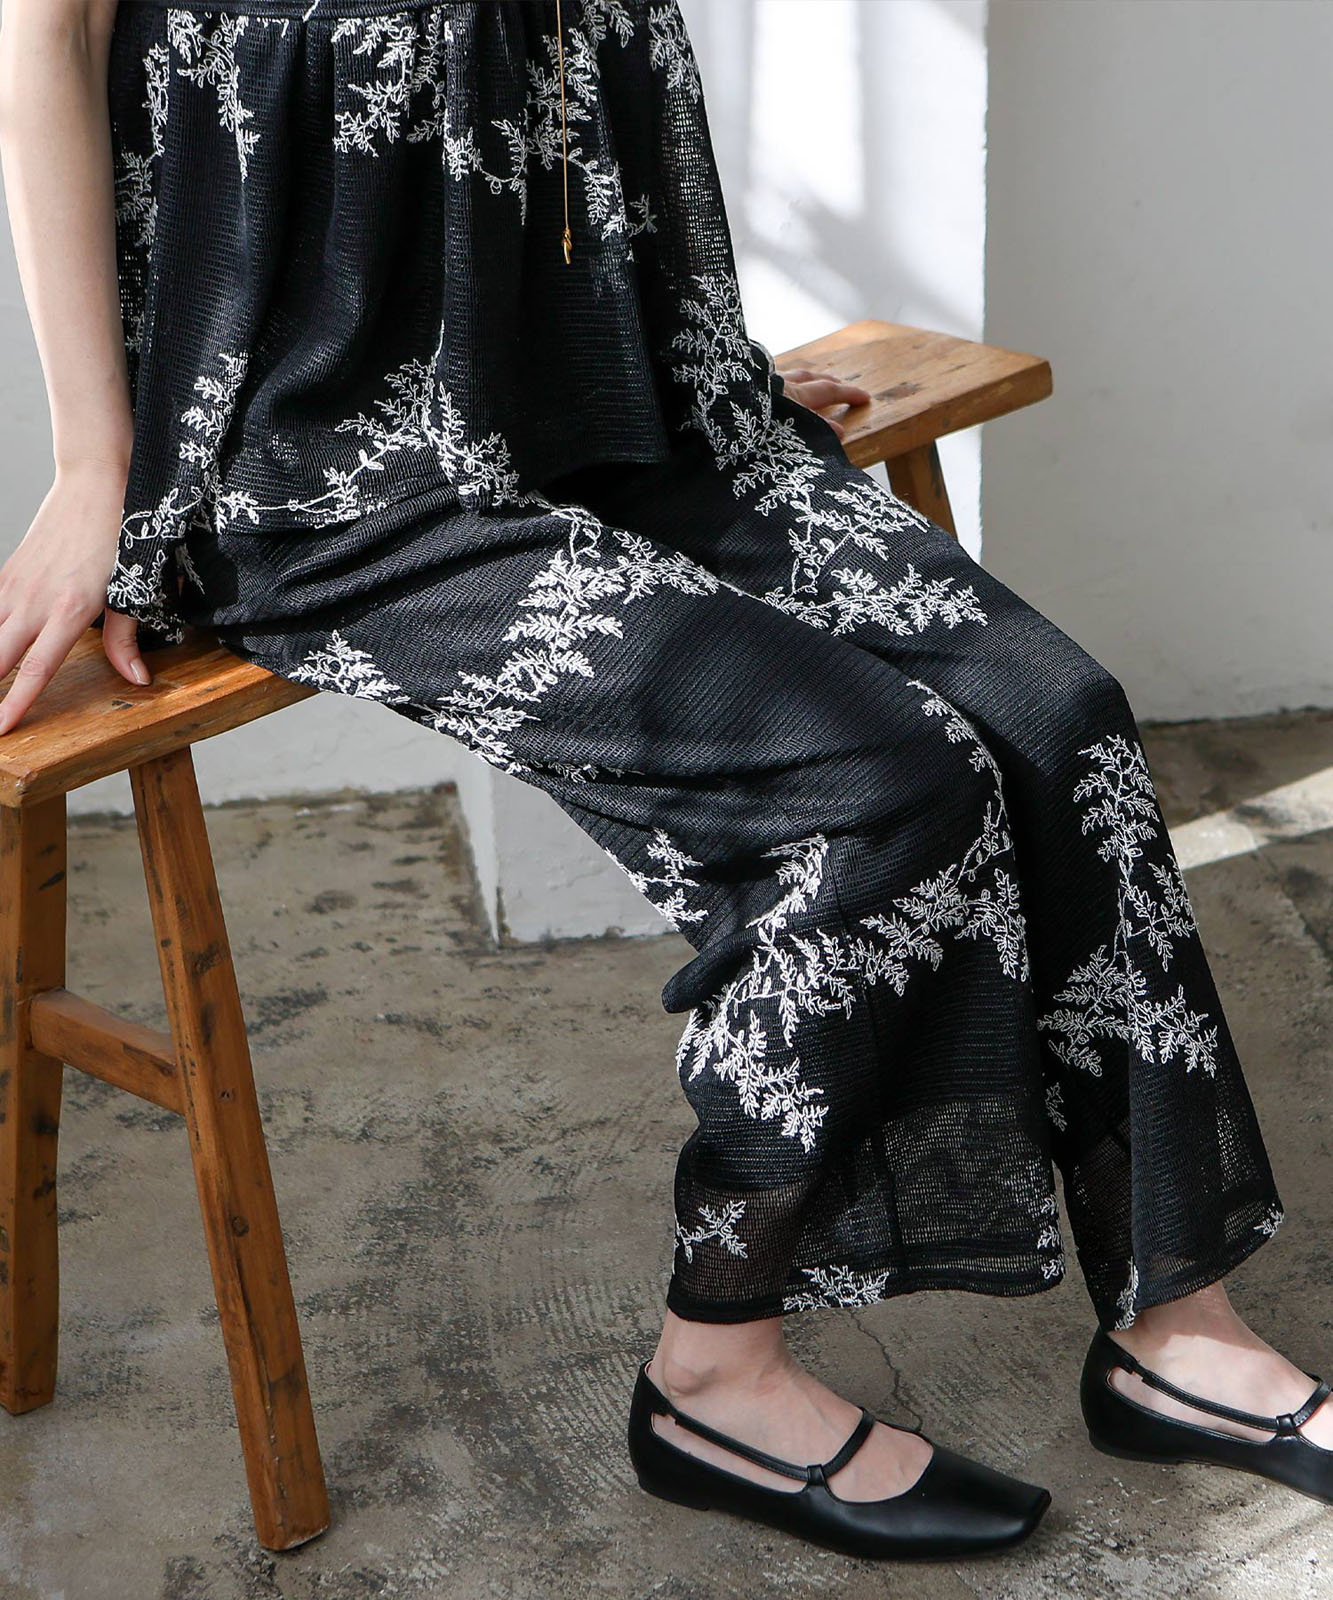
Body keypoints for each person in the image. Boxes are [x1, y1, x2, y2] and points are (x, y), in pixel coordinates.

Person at [0, 0, 1327, 1563]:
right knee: (868, 786)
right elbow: (45, 35)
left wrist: (693, 342)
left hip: (624, 382)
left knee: (1058, 714)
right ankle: (714, 1375)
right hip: (333, 451)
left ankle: (1178, 1328)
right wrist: (94, 464)